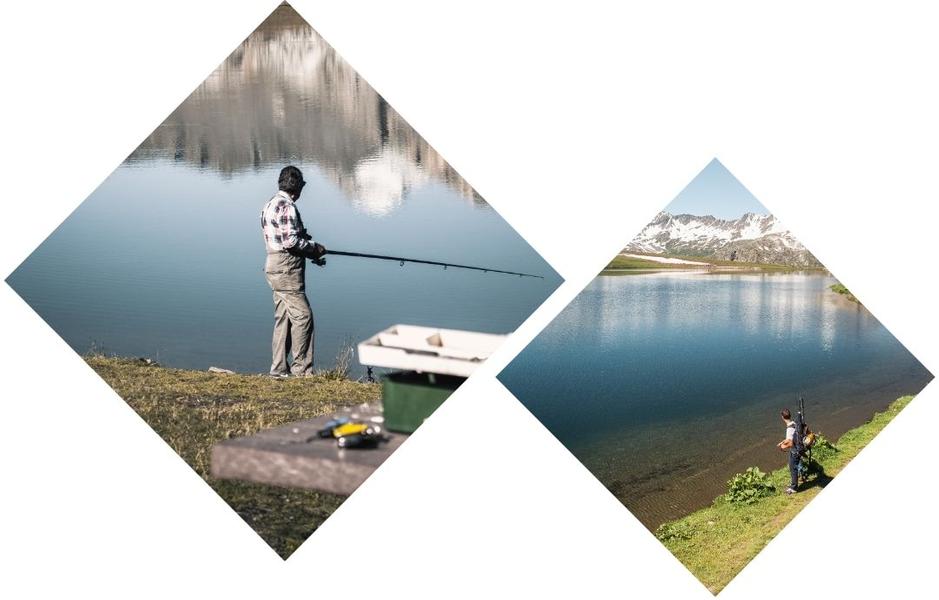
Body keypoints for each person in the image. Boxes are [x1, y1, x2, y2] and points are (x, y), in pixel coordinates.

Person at [260, 166, 326, 377]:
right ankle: (302, 371)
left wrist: (310, 253)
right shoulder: (287, 206)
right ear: (297, 188)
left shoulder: (269, 204)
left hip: (272, 264)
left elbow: (286, 240)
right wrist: (314, 247)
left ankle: (278, 369)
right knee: (303, 317)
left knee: (284, 317)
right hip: (287, 268)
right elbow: (290, 241)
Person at [776, 408, 799, 495]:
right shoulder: (794, 423)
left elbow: (790, 443)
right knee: (797, 465)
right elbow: (790, 438)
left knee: (793, 468)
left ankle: (794, 487)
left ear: (782, 417)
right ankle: (801, 477)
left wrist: (782, 446)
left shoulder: (789, 429)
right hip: (799, 448)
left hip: (794, 450)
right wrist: (782, 442)